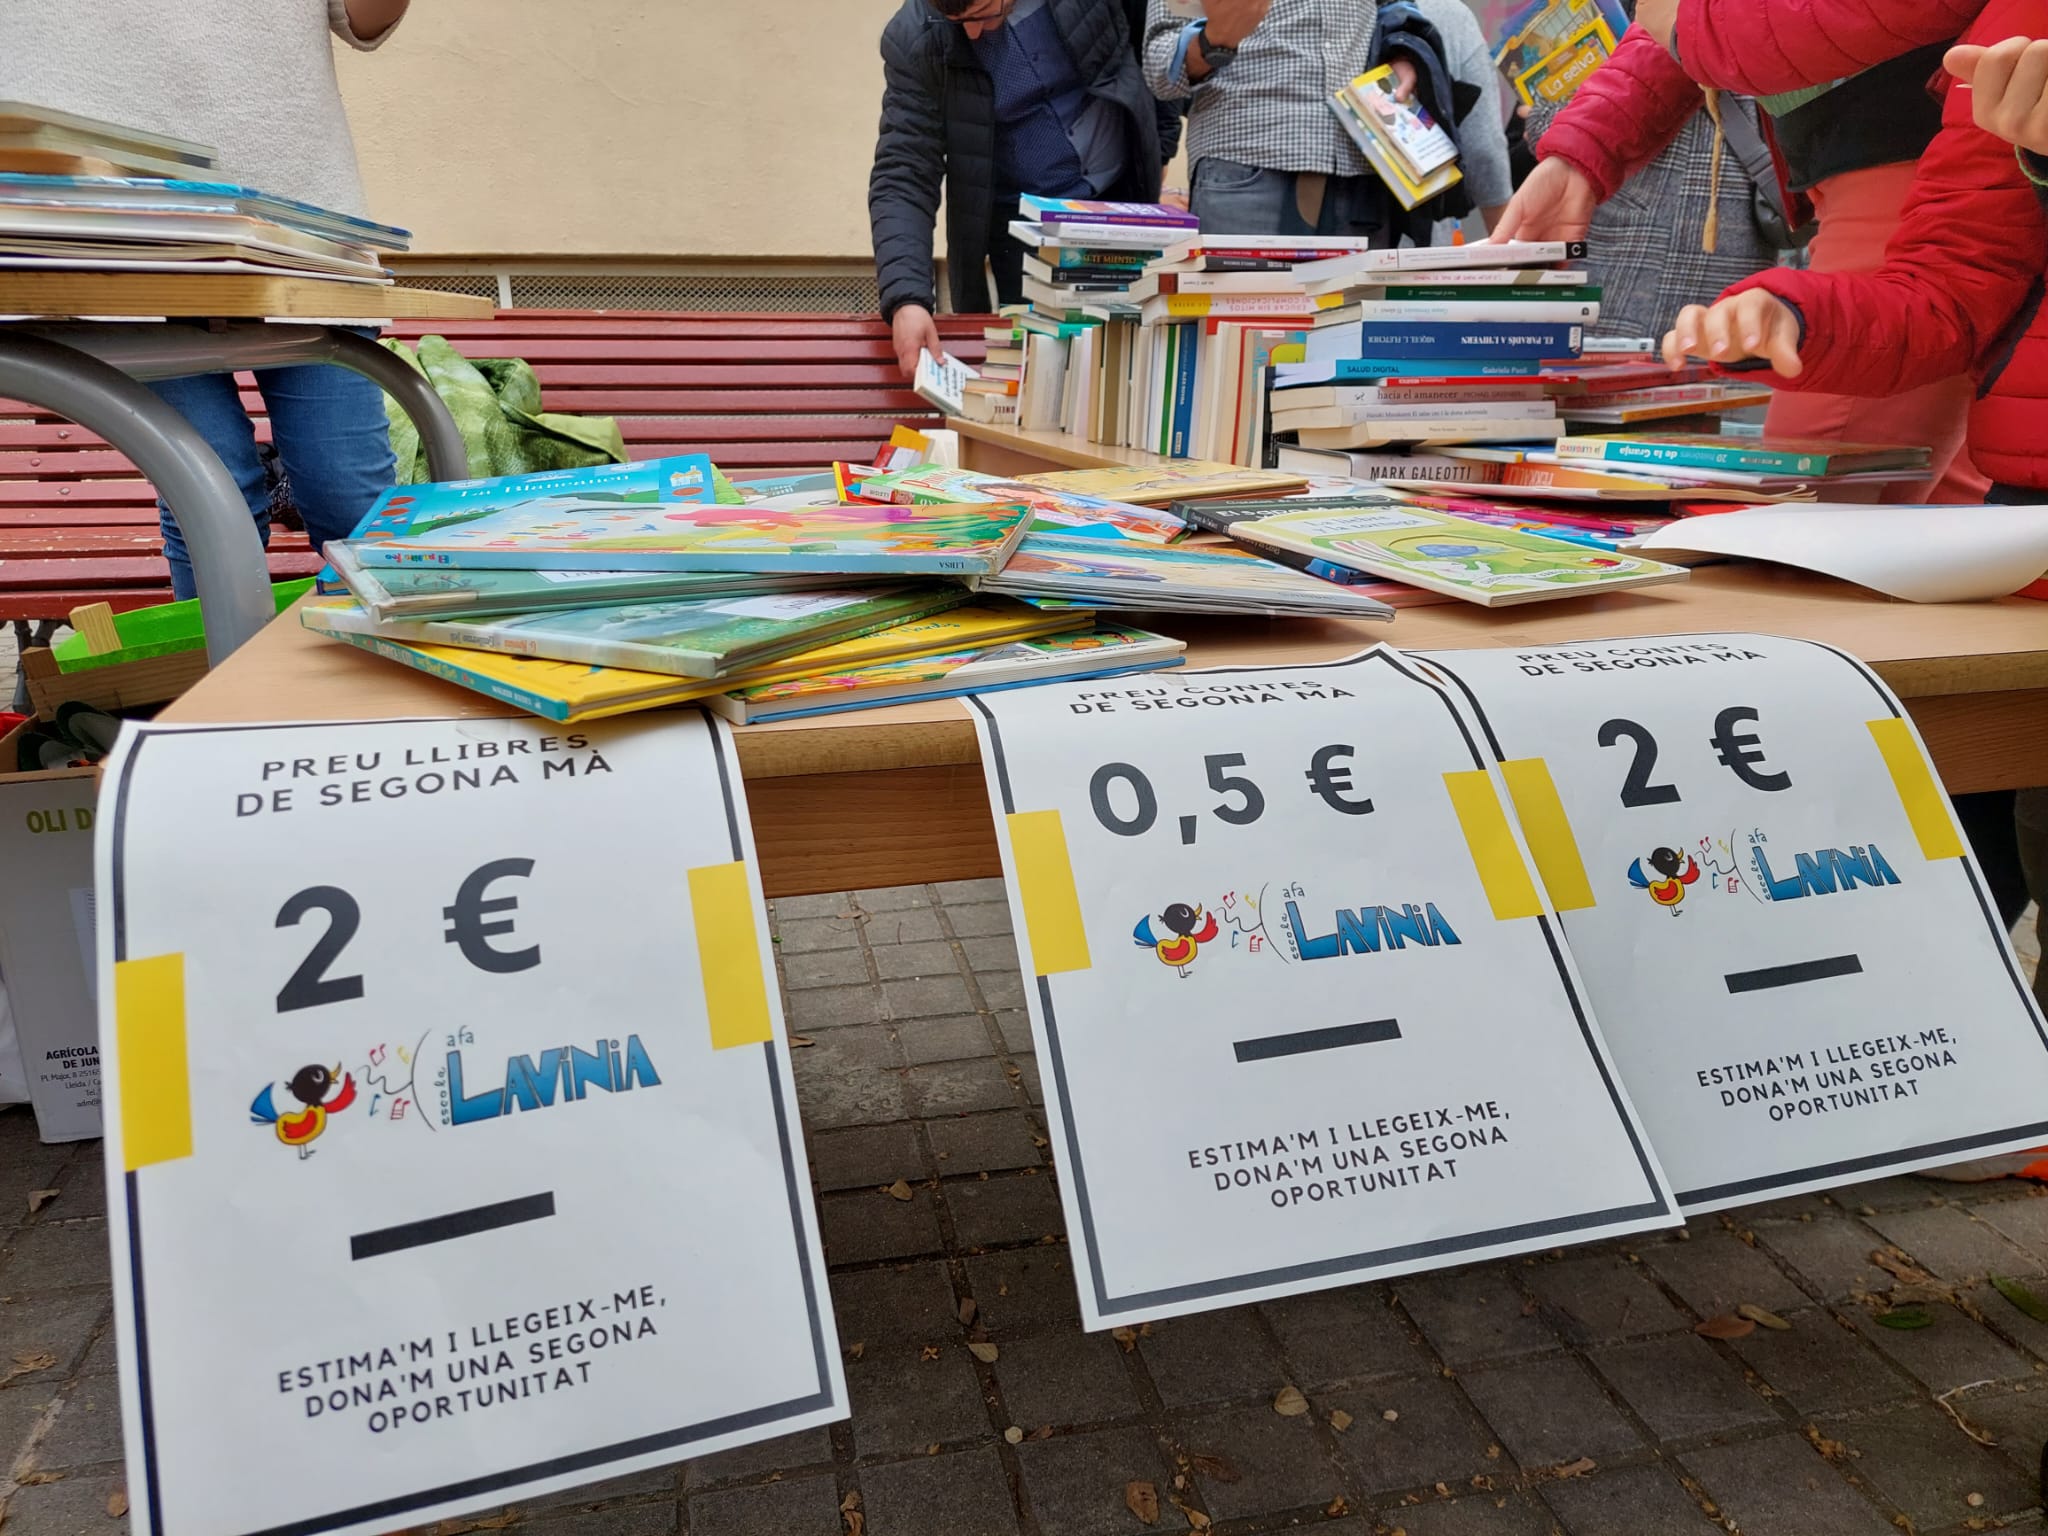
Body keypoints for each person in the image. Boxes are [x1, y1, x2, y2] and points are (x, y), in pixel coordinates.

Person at [1660, 22, 2048, 1172]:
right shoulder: (2006, 38)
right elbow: (1942, 293)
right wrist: (1799, 312)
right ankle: (1939, 1064)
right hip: (2021, 510)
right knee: (1964, 803)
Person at [1493, 0, 1993, 503]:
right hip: (1905, 152)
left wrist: (1694, 27)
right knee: (1951, 500)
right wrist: (1584, 146)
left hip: (1909, 161)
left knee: (1808, 504)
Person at [0, 0, 410, 599]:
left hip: (301, 220)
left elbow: (364, 18)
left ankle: (373, 658)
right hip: (105, 222)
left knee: (349, 499)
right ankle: (224, 662)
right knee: (214, 494)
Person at [869, 0, 1181, 379]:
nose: (972, 32)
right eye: (956, 22)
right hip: (1024, 240)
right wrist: (907, 299)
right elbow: (904, 171)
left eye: (984, 14)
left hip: (1121, 204)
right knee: (1045, 379)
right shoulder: (914, 36)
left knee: (1132, 368)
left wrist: (1160, 148)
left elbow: (1155, 44)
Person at [1516, 2, 1772, 339]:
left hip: (1655, 222)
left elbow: (1661, 55)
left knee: (1652, 357)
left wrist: (1550, 121)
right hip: (1735, 210)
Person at [1143, 0, 1492, 239]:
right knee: (1244, 326)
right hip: (1246, 176)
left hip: (1363, 176)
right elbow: (1158, 68)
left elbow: (1395, 9)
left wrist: (1402, 53)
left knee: (1357, 327)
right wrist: (1214, 41)